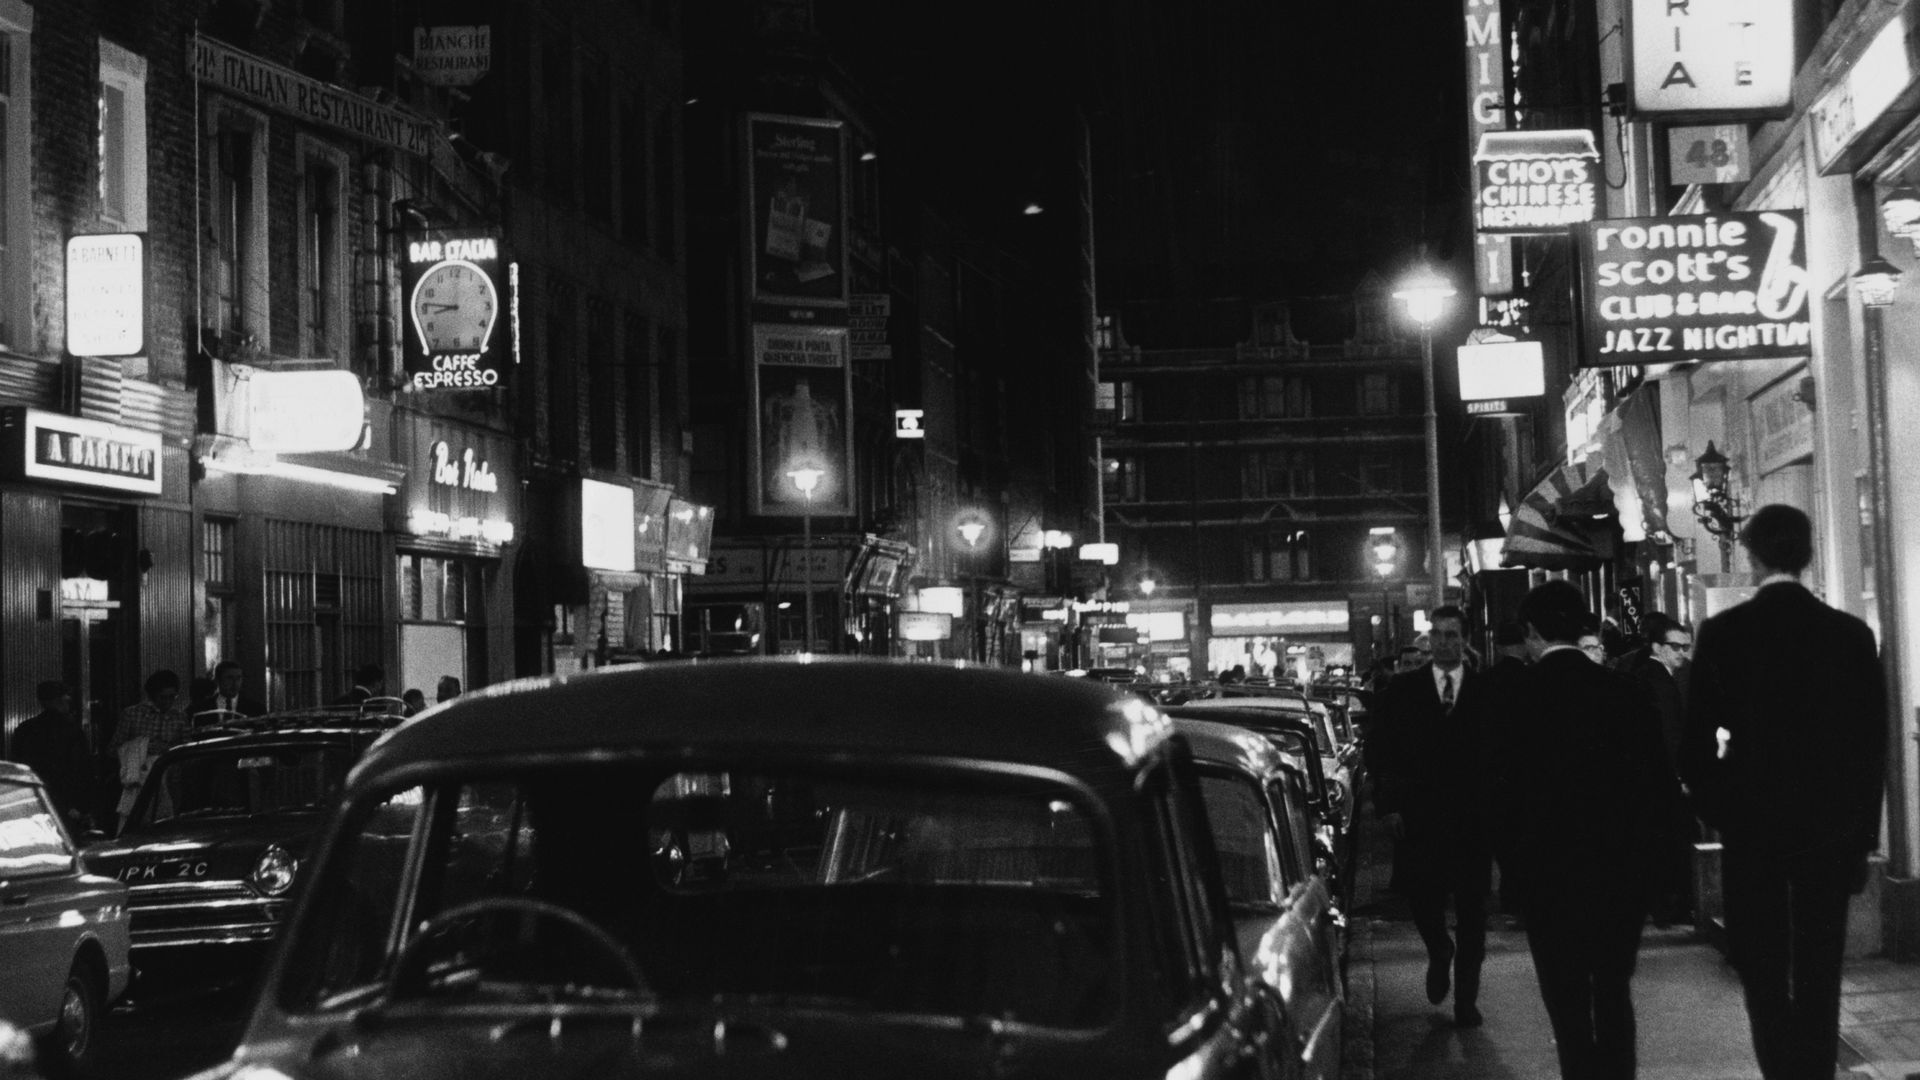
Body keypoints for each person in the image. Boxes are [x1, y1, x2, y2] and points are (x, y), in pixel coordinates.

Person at [1680, 505, 1887, 1080]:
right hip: (1829, 830)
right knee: (1820, 969)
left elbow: (1695, 745)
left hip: (1755, 830)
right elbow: (1870, 749)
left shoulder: (1725, 634)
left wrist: (1722, 809)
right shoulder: (1849, 635)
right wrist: (1860, 836)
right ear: (1807, 554)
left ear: (1752, 555)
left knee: (1762, 967)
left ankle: (1779, 1068)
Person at [1485, 580, 1682, 1080]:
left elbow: (1500, 797)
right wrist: (1661, 868)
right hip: (1622, 870)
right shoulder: (1626, 691)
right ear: (1581, 628)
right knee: (1613, 990)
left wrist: (1514, 871)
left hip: (1549, 876)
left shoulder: (1516, 698)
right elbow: (1657, 786)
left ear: (1531, 632)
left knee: (1566, 998)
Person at [1366, 604, 1490, 1027]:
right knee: (1424, 901)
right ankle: (1439, 950)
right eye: (1436, 634)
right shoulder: (1403, 692)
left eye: (1452, 635)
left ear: (1464, 639)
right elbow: (1380, 752)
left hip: (1473, 820)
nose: (1443, 642)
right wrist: (1388, 806)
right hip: (1421, 818)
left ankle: (1466, 1001)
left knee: (1474, 914)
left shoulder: (1486, 691)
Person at [8, 681, 94, 829]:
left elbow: (17, 766)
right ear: (61, 700)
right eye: (67, 697)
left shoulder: (24, 729)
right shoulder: (72, 731)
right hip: (67, 801)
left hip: (34, 798)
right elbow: (81, 769)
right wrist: (82, 806)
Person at [190, 660, 268, 720]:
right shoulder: (201, 709)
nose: (235, 683)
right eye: (229, 678)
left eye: (238, 678)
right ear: (218, 680)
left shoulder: (256, 709)